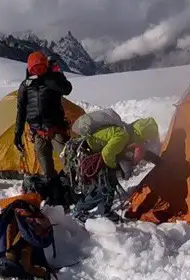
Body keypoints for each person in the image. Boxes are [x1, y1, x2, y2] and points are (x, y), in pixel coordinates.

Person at [72, 118, 161, 223]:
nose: (142, 142)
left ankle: (104, 211)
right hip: (97, 158)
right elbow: (107, 153)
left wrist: (158, 161)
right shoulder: (123, 135)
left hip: (97, 157)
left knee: (109, 186)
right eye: (144, 139)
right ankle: (79, 209)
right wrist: (113, 167)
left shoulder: (126, 132)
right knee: (103, 188)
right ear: (140, 134)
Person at [14, 51, 73, 188]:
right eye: (35, 69)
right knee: (46, 166)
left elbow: (67, 89)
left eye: (41, 68)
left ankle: (72, 186)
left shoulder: (54, 78)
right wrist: (17, 134)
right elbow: (21, 111)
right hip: (37, 132)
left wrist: (49, 79)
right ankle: (54, 190)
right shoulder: (25, 86)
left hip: (56, 128)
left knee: (67, 160)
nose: (38, 71)